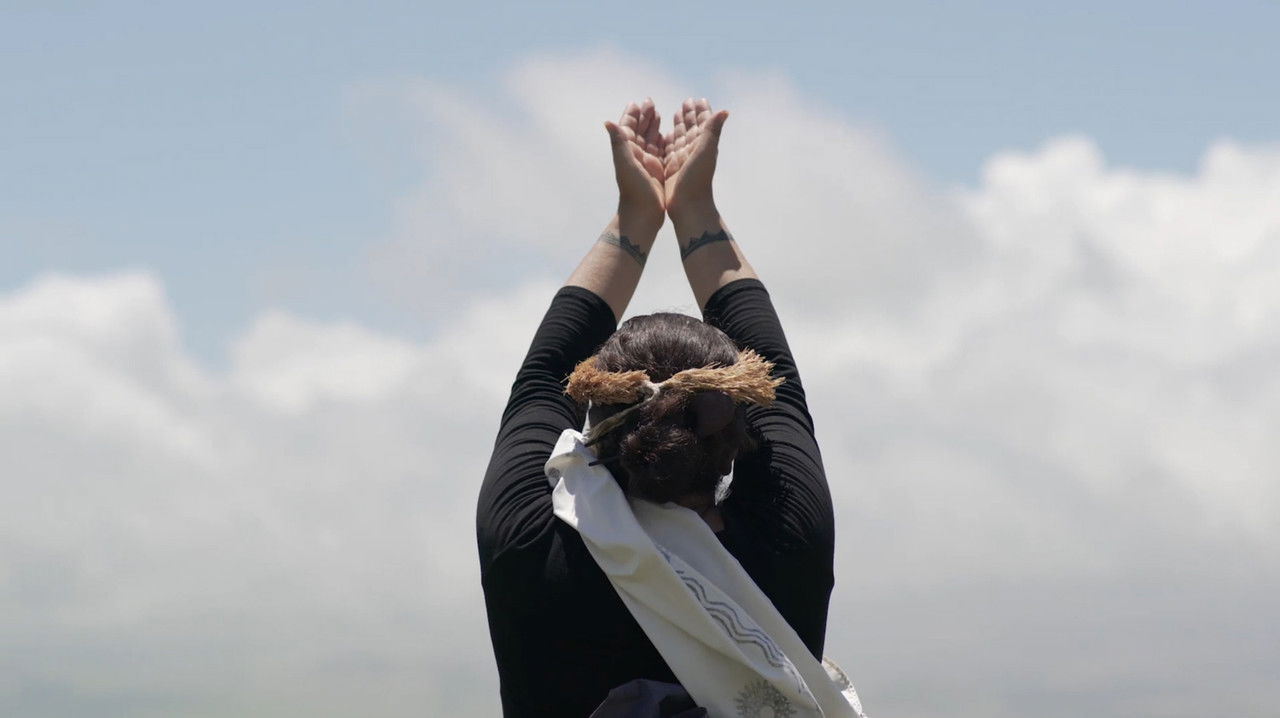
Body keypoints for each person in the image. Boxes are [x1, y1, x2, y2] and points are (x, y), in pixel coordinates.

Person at [477, 98, 857, 717]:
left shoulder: (525, 541)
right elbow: (778, 380)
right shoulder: (787, 541)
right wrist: (695, 209)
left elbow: (543, 378)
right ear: (734, 418)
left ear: (595, 406)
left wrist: (635, 219)